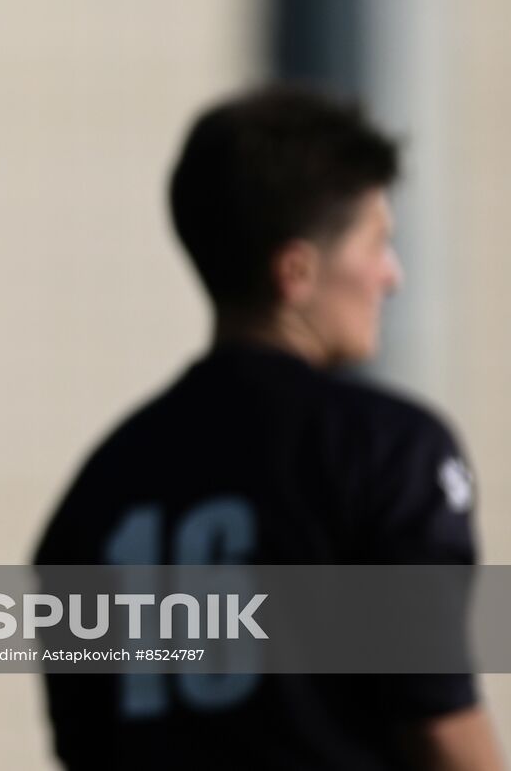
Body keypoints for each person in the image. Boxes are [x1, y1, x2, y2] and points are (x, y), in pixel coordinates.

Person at [34, 86, 502, 770]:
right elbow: (437, 720)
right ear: (296, 271)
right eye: (378, 242)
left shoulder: (97, 490)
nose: (390, 276)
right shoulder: (387, 448)